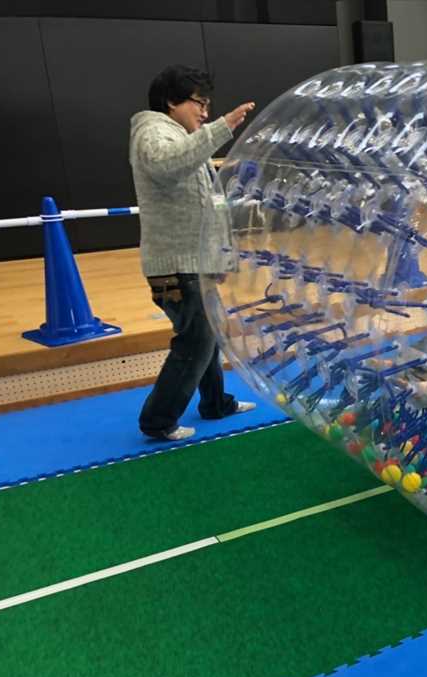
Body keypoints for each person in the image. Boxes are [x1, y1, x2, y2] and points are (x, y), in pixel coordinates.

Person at [129, 65, 257, 440]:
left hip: (194, 261)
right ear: (172, 101)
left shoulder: (180, 137)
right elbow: (167, 164)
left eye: (207, 105)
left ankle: (216, 403)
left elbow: (205, 205)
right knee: (196, 341)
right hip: (176, 266)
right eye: (199, 103)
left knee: (207, 335)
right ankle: (158, 420)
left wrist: (218, 257)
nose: (204, 112)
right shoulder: (152, 132)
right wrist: (223, 126)